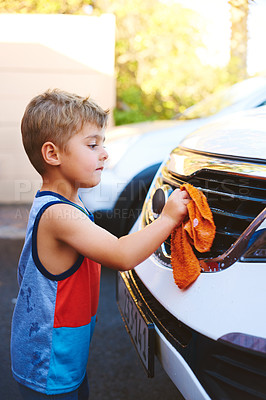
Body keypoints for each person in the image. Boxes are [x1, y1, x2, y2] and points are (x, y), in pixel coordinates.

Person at [10, 89, 190, 400]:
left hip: (63, 356)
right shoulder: (59, 214)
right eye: (92, 145)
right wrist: (168, 218)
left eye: (102, 144)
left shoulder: (68, 202)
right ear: (52, 155)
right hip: (49, 365)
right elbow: (121, 254)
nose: (104, 153)